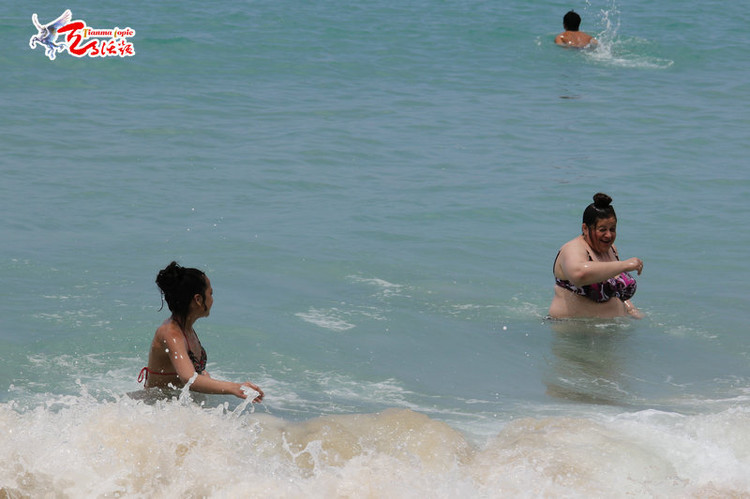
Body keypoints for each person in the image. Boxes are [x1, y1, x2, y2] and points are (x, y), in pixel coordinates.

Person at [138, 261, 264, 401]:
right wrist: (233, 387)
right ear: (198, 299)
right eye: (210, 293)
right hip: (155, 407)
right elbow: (188, 378)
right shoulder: (170, 333)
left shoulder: (186, 328)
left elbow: (190, 373)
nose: (212, 299)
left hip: (176, 405)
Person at [548, 193, 643, 319]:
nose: (608, 235)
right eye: (602, 229)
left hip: (608, 331)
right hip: (572, 331)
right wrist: (624, 265)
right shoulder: (573, 248)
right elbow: (579, 275)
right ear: (585, 228)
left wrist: (630, 309)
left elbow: (614, 289)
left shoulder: (610, 250)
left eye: (612, 229)